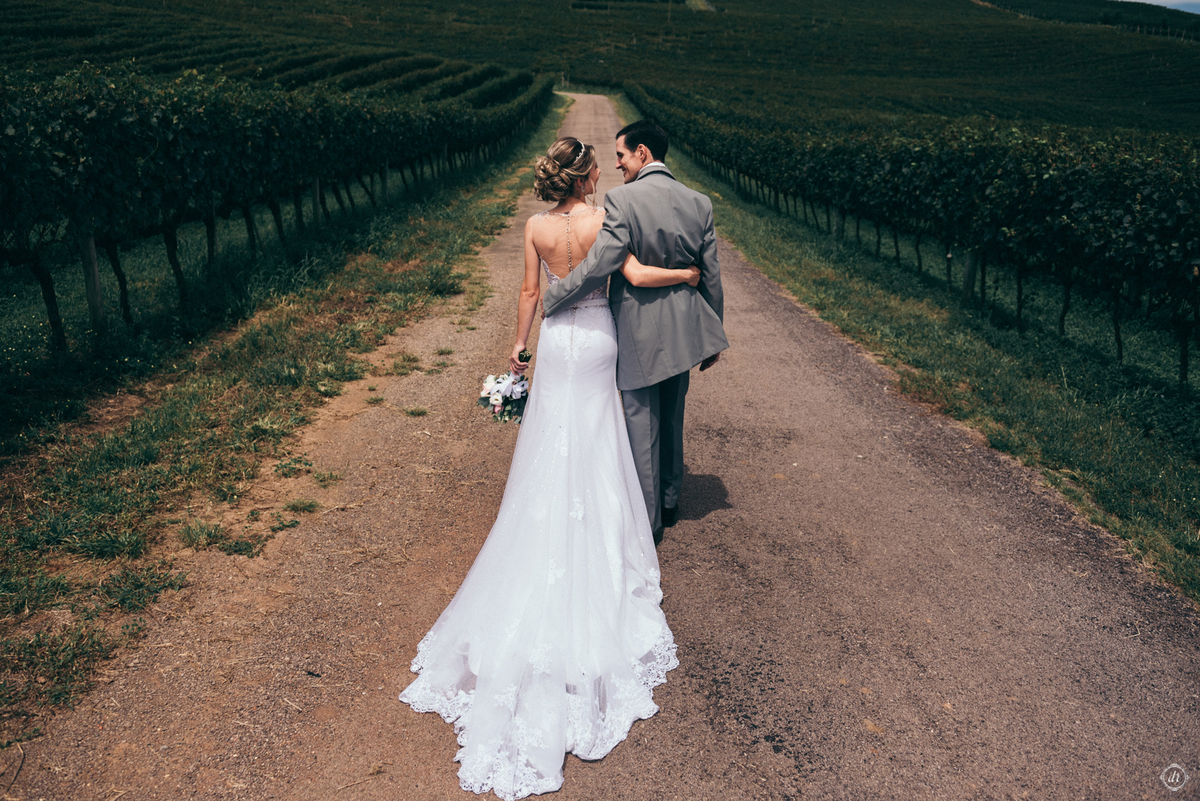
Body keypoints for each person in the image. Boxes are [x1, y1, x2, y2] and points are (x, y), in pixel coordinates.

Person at [398, 136, 695, 801]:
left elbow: (530, 292)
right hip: (598, 342)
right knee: (597, 445)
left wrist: (517, 347)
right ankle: (605, 545)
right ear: (588, 176)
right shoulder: (607, 218)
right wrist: (687, 278)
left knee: (550, 446)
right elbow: (637, 278)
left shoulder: (535, 227)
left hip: (558, 345)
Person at [541, 120, 728, 546]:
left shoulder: (622, 200)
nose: (618, 165)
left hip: (639, 327)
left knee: (642, 424)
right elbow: (711, 274)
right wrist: (712, 331)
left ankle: (648, 526)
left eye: (622, 155)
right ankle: (669, 500)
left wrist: (556, 298)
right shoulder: (699, 202)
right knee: (673, 416)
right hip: (685, 330)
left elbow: (601, 264)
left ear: (642, 152)